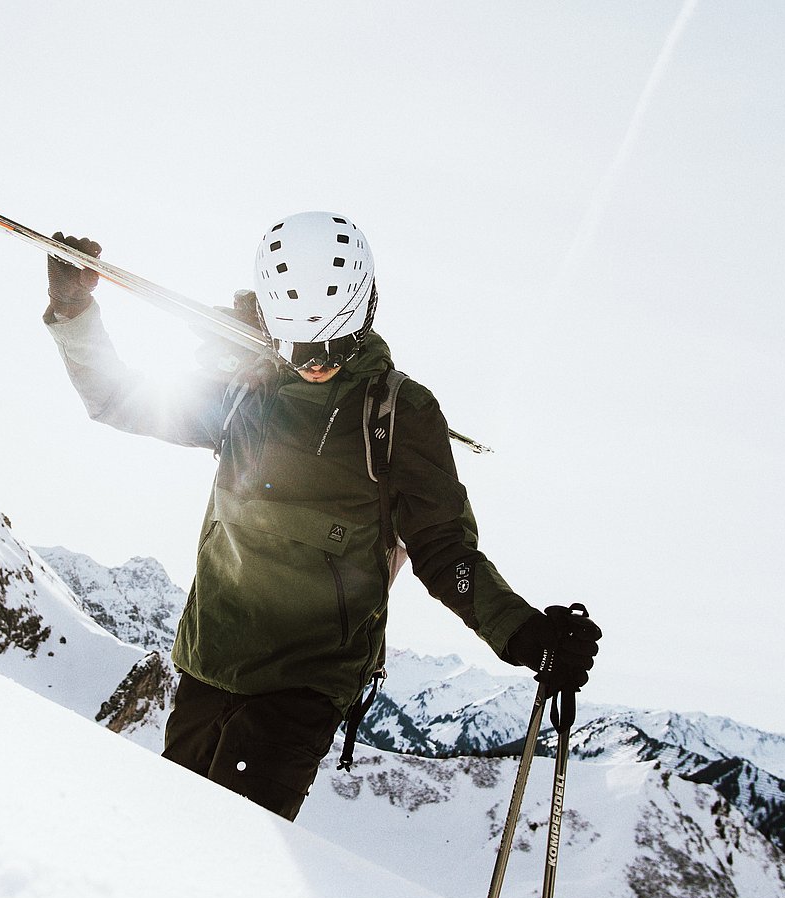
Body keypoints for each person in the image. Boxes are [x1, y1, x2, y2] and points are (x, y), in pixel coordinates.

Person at [41, 211, 601, 821]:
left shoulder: (399, 413)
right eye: (301, 351)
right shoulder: (245, 392)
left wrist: (523, 634)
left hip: (304, 684)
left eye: (332, 351)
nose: (314, 365)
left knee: (231, 847)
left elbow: (444, 551)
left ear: (364, 314)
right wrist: (75, 316)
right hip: (210, 659)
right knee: (175, 837)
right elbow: (118, 399)